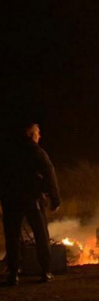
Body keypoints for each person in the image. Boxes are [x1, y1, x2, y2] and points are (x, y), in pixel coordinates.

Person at [0, 122, 61, 285]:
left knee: (13, 237)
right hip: (33, 200)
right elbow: (49, 173)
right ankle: (46, 271)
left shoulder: (7, 151)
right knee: (41, 234)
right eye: (38, 133)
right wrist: (55, 198)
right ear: (31, 134)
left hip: (11, 201)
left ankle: (14, 273)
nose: (39, 136)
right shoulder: (36, 151)